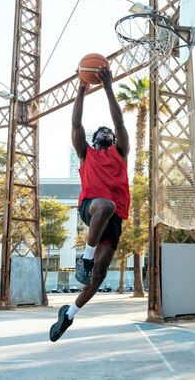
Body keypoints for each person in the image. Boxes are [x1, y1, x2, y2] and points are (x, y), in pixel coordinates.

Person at [49, 66, 130, 342]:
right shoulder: (86, 154)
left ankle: (68, 314)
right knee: (105, 205)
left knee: (98, 276)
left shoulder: (120, 152)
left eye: (110, 133)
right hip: (92, 208)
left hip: (114, 221)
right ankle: (84, 258)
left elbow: (119, 123)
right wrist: (81, 89)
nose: (107, 133)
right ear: (93, 141)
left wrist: (108, 88)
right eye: (101, 133)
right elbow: (75, 125)